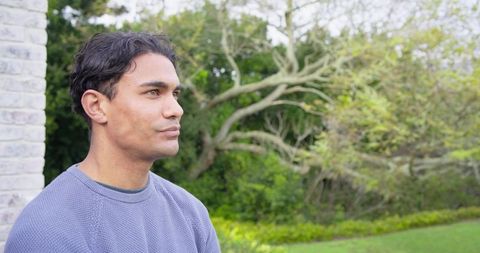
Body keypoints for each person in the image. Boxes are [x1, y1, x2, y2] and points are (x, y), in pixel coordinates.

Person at [5, 32, 221, 253]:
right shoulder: (47, 232)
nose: (176, 109)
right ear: (96, 106)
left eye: (175, 94)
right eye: (154, 92)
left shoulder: (191, 215)